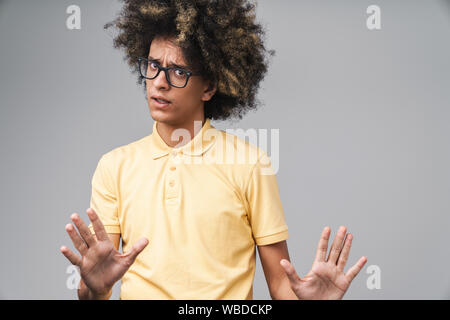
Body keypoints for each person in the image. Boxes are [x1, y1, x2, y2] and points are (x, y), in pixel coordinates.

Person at [60, 0, 367, 300]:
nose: (159, 83)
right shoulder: (114, 167)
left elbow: (280, 286)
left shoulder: (249, 164)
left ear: (208, 87)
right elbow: (97, 282)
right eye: (153, 66)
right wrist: (95, 289)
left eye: (179, 71)